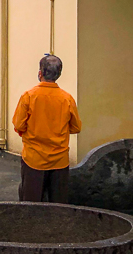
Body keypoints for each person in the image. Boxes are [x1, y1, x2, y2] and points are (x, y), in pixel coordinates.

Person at [12, 54, 82, 203]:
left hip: (33, 158)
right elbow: (76, 127)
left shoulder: (29, 96)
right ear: (58, 75)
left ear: (40, 73)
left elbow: (18, 125)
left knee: (31, 202)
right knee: (58, 203)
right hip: (60, 160)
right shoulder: (67, 98)